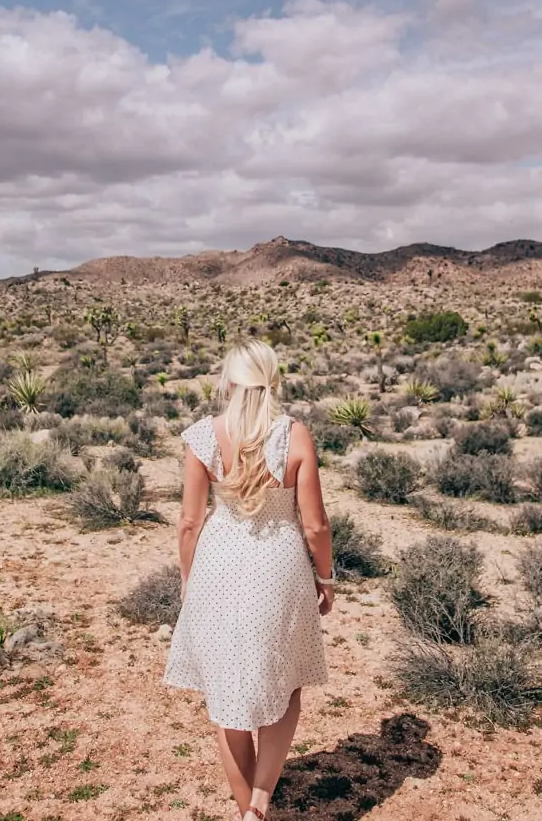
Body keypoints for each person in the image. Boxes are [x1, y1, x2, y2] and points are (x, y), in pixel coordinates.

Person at [164, 338, 334, 821]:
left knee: (225, 694)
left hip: (216, 566)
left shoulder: (202, 435)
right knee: (287, 682)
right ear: (273, 379)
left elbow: (189, 523)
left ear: (229, 382)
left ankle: (248, 813)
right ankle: (261, 799)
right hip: (280, 567)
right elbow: (316, 524)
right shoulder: (295, 435)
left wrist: (187, 581)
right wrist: (327, 578)